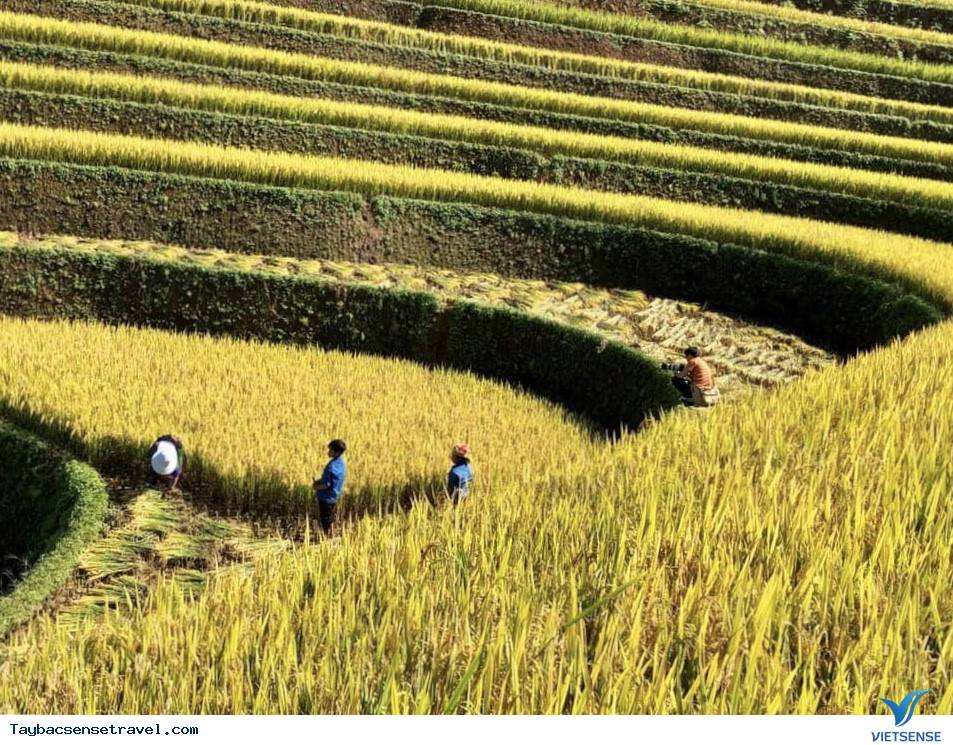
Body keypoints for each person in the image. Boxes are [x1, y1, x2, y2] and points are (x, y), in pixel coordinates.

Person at [313, 439, 347, 537]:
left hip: (325, 498)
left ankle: (327, 537)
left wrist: (316, 486)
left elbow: (327, 484)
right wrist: (320, 481)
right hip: (334, 496)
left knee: (325, 519)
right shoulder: (341, 463)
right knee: (330, 517)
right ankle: (331, 534)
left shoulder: (331, 467)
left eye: (330, 450)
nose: (328, 452)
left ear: (336, 452)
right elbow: (333, 479)